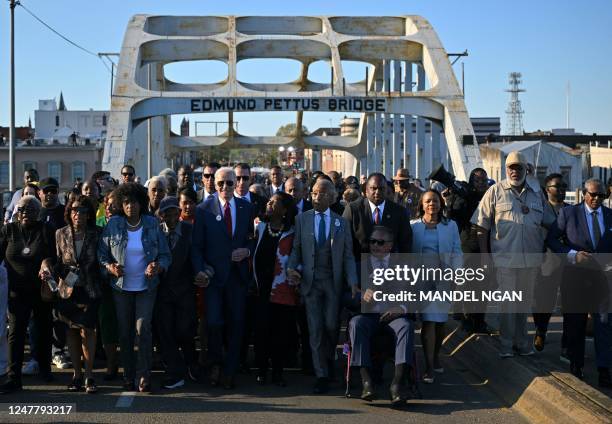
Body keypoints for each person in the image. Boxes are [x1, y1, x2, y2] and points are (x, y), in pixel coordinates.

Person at [471, 151, 555, 358]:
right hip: (505, 259)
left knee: (524, 303)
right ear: (505, 169)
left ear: (526, 169)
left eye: (518, 167)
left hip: (531, 260)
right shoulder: (495, 191)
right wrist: (484, 256)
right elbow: (481, 226)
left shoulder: (537, 194)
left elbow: (551, 223)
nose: (514, 171)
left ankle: (522, 343)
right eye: (510, 167)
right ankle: (506, 344)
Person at [98, 182, 171, 392]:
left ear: (142, 203)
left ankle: (143, 375)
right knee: (124, 333)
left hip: (146, 287)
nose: (131, 206)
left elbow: (166, 255)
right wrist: (110, 267)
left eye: (135, 202)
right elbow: (101, 255)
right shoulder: (113, 225)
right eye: (127, 202)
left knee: (143, 330)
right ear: (122, 204)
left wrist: (157, 266)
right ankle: (128, 375)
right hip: (121, 287)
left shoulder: (152, 223)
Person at [287, 179, 358, 394]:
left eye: (321, 194)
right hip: (310, 283)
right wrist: (291, 268)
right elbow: (296, 249)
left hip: (332, 283)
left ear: (332, 197)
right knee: (315, 329)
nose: (315, 197)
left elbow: (347, 256)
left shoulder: (341, 223)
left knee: (330, 326)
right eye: (314, 193)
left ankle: (329, 361)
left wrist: (353, 282)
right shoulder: (302, 219)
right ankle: (321, 374)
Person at [192, 167, 254, 389]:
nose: (226, 187)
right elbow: (197, 246)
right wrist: (200, 269)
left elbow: (252, 239)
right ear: (213, 185)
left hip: (237, 278)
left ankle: (230, 369)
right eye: (221, 184)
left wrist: (247, 251)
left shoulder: (247, 207)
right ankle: (215, 364)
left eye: (230, 182)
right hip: (214, 278)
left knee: (236, 324)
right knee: (214, 323)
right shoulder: (203, 210)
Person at [546, 178, 612, 386]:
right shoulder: (569, 213)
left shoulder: (610, 215)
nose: (596, 199)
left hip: (604, 278)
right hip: (575, 277)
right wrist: (573, 254)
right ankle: (576, 365)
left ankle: (604, 369)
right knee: (576, 322)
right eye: (592, 194)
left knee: (605, 323)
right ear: (584, 193)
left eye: (601, 195)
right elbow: (552, 240)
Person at [348, 225, 415, 405]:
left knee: (406, 326)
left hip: (394, 315)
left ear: (390, 246)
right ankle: (366, 382)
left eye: (380, 242)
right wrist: (362, 297)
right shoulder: (358, 265)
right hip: (368, 315)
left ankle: (397, 384)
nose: (375, 245)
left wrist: (402, 307)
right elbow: (347, 296)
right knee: (356, 323)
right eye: (372, 242)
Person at [0, 195, 56, 394]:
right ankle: (13, 377)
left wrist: (47, 263)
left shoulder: (46, 230)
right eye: (22, 210)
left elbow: (54, 255)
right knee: (15, 334)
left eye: (31, 210)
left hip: (41, 291)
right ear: (17, 212)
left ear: (38, 212)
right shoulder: (9, 230)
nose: (26, 214)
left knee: (43, 330)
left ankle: (45, 369)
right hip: (16, 292)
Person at [411, 190, 462, 383]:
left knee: (440, 323)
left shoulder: (451, 226)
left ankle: (435, 356)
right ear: (422, 205)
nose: (432, 204)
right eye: (428, 201)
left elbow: (457, 251)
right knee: (428, 321)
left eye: (435, 201)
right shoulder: (413, 226)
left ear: (441, 204)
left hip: (443, 279)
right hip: (421, 279)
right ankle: (429, 366)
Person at [53, 195, 102, 393]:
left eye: (82, 211)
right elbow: (57, 261)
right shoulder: (60, 233)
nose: (78, 214)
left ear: (89, 214)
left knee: (88, 331)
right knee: (71, 331)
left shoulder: (98, 233)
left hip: (90, 288)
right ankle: (77, 374)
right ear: (69, 213)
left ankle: (89, 375)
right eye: (74, 210)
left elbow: (102, 260)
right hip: (68, 289)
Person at [253, 192, 299, 386]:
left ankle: (278, 372)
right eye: (269, 201)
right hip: (261, 288)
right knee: (262, 330)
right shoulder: (260, 227)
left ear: (285, 210)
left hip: (283, 288)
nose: (269, 204)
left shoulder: (293, 232)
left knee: (281, 333)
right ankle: (262, 370)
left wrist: (297, 273)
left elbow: (299, 258)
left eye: (275, 202)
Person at [155, 197, 199, 390]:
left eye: (175, 212)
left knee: (185, 330)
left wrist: (202, 273)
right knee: (166, 333)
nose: (172, 217)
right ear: (161, 215)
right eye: (167, 213)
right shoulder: (156, 233)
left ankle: (192, 364)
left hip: (185, 291)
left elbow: (197, 257)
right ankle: (174, 372)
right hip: (163, 292)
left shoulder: (190, 231)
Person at [444, 168, 490, 333]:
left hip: (487, 245)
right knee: (468, 284)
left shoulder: (489, 196)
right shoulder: (464, 196)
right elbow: (453, 217)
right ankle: (468, 319)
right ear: (471, 181)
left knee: (484, 286)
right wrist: (452, 200)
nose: (480, 183)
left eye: (483, 181)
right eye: (477, 180)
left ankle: (480, 320)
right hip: (468, 244)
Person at [532, 174, 570, 353]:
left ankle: (568, 341)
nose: (562, 189)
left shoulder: (571, 209)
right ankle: (541, 330)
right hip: (546, 259)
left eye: (564, 186)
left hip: (568, 260)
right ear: (548, 189)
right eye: (558, 186)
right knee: (544, 299)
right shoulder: (540, 208)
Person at [343, 173, 413, 262]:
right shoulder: (353, 210)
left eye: (381, 189)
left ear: (387, 190)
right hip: (360, 265)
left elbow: (405, 244)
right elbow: (345, 242)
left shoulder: (399, 212)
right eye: (373, 188)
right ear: (366, 190)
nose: (377, 192)